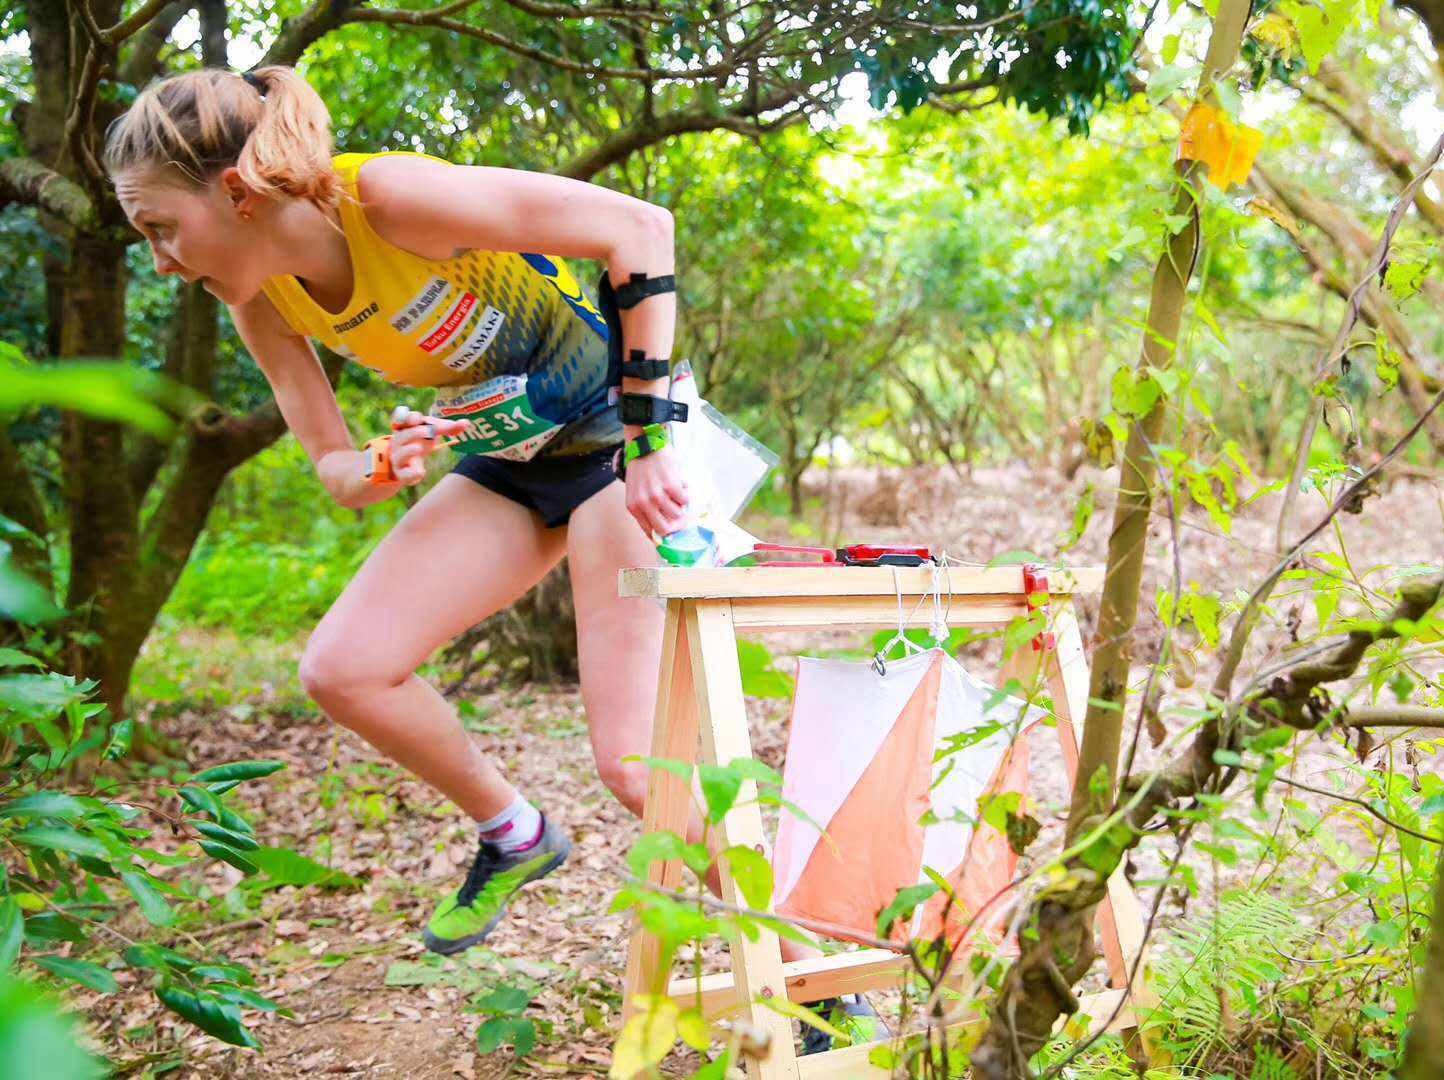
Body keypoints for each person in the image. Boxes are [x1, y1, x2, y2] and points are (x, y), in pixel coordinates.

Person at [102, 65, 882, 1052]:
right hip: (510, 463)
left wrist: (648, 438)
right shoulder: (264, 300)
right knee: (344, 668)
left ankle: (813, 979)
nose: (161, 262)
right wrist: (384, 462)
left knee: (641, 770)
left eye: (157, 227)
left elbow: (640, 229)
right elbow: (337, 469)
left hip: (617, 443)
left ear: (236, 193)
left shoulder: (381, 198)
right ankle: (516, 833)